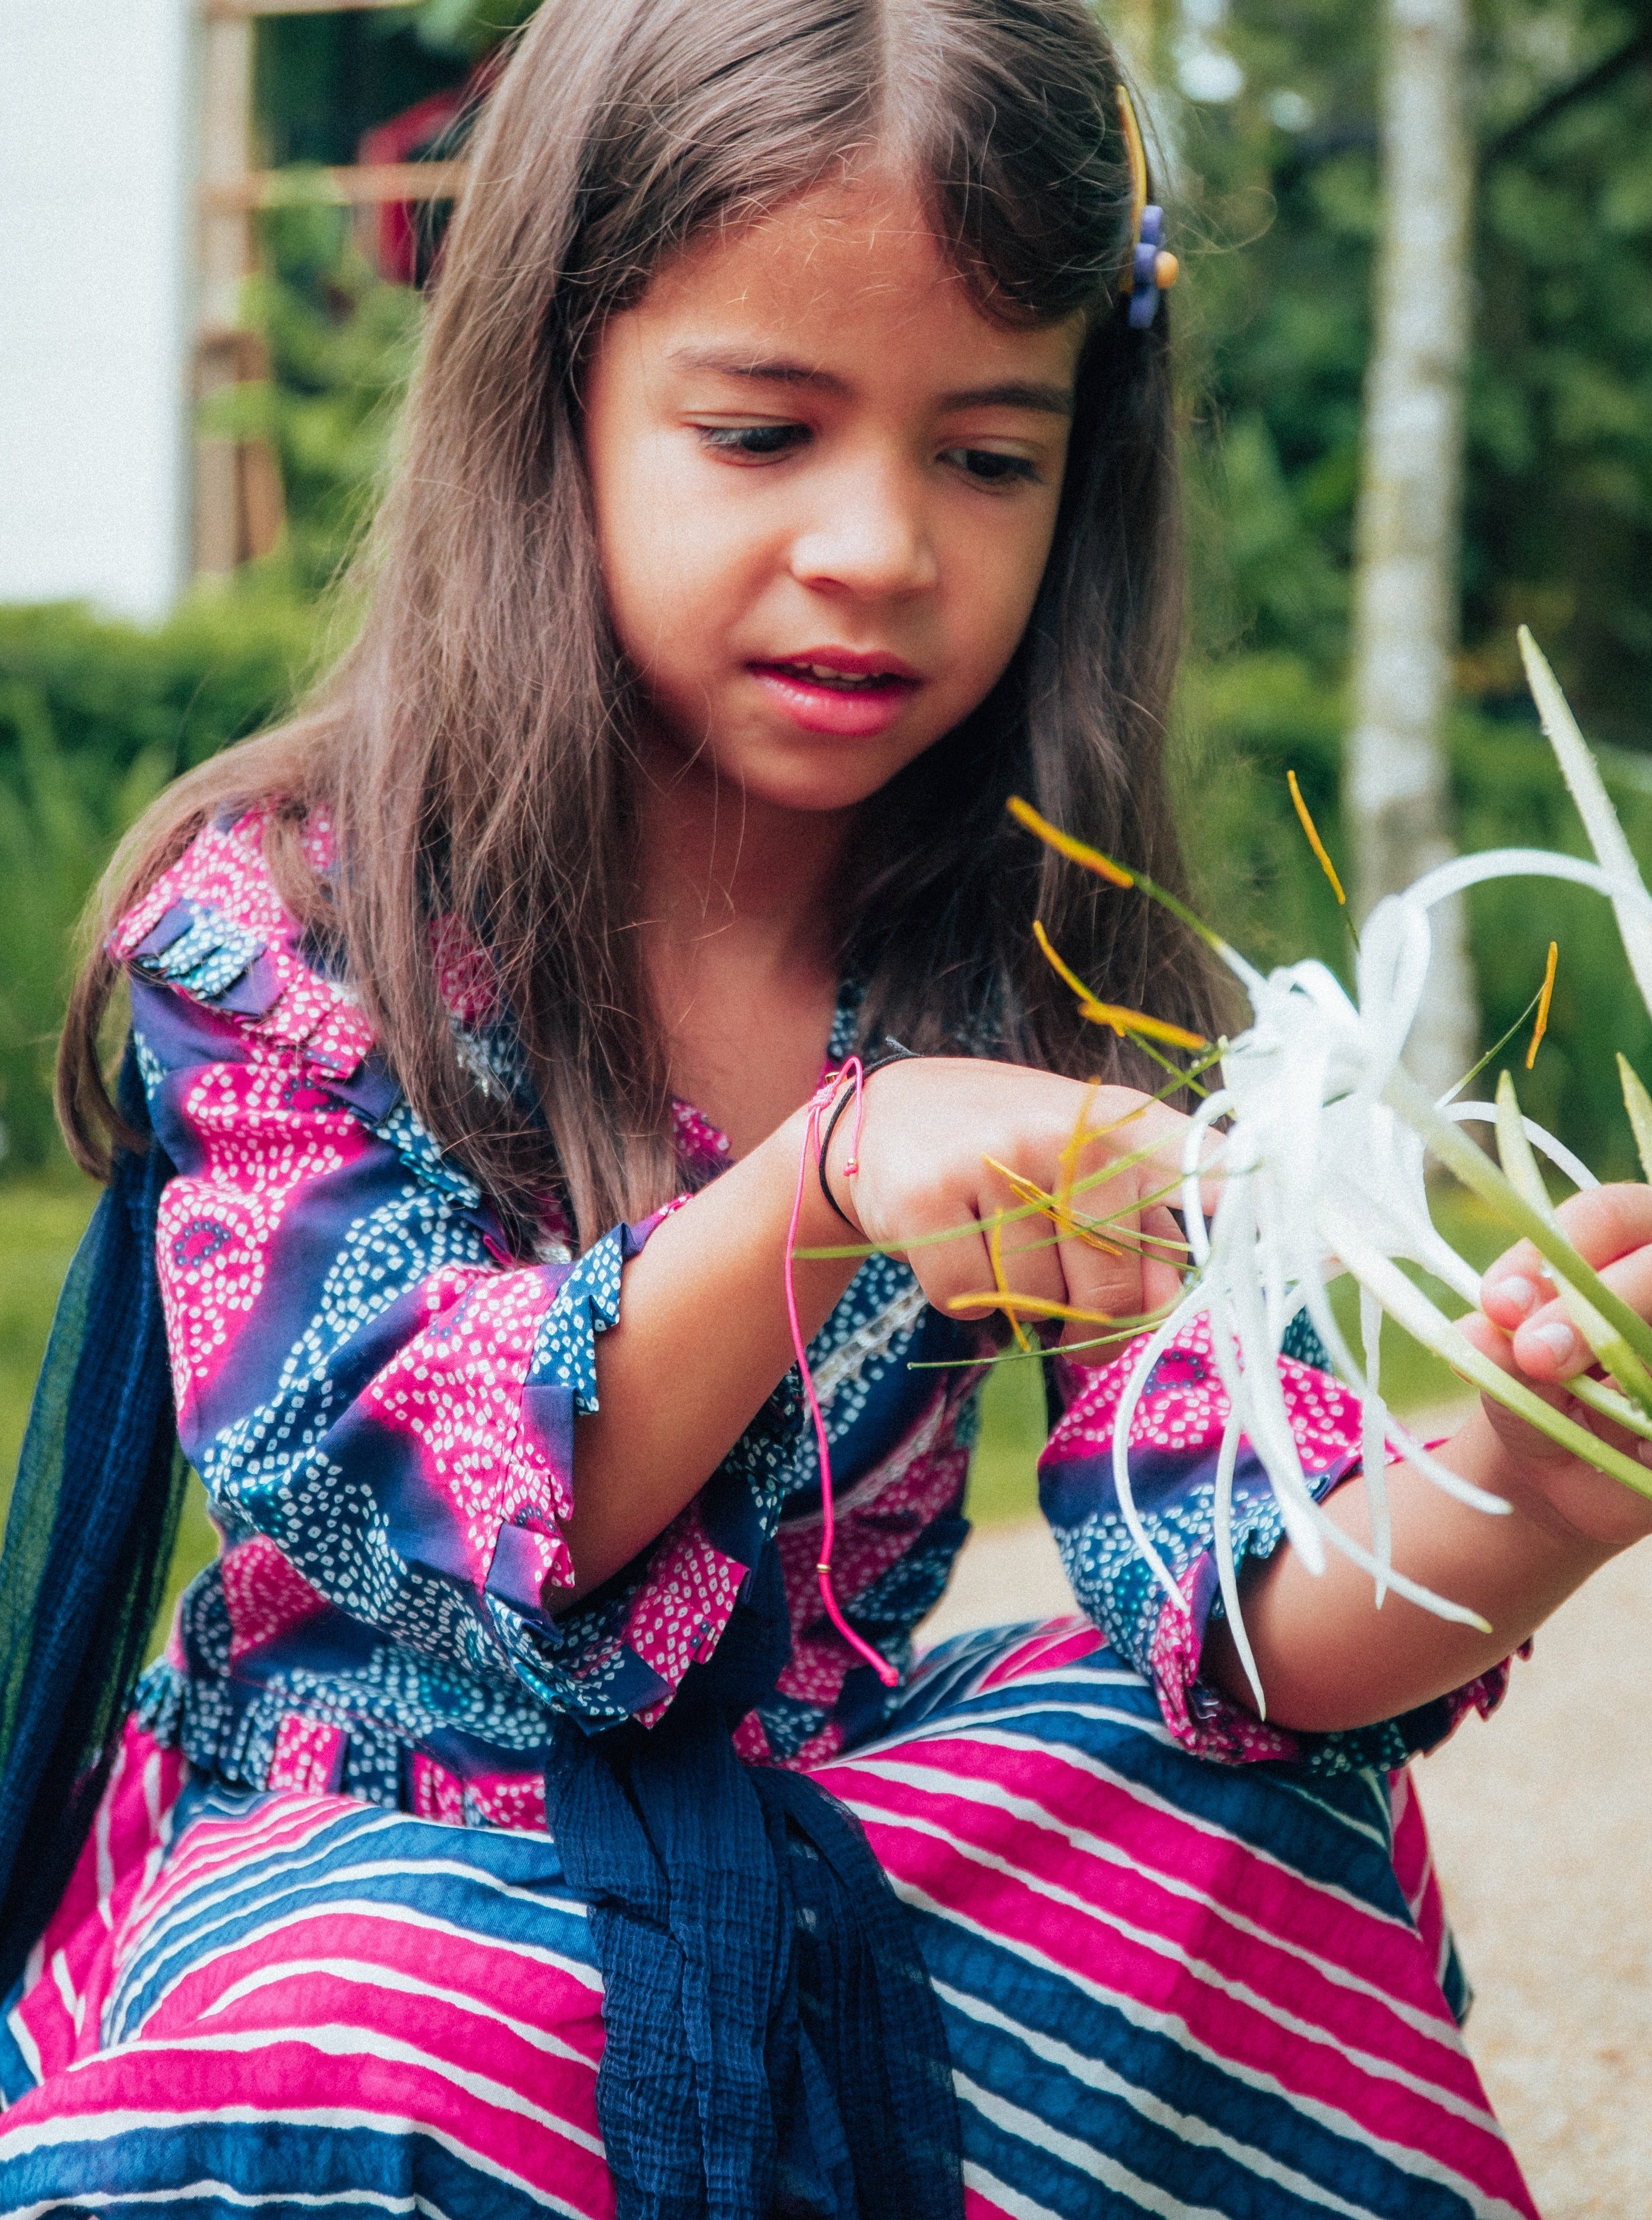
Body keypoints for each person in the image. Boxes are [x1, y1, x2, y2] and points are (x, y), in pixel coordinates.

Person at [0, 1, 1647, 2212]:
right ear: (550, 401)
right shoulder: (296, 927)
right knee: (408, 2015)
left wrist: (1528, 1491)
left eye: (987, 455)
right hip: (384, 1843)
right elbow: (429, 1497)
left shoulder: (1053, 972)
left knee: (1235, 1799)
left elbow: (1243, 1584)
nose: (878, 546)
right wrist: (831, 1174)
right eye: (763, 431)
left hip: (826, 1832)